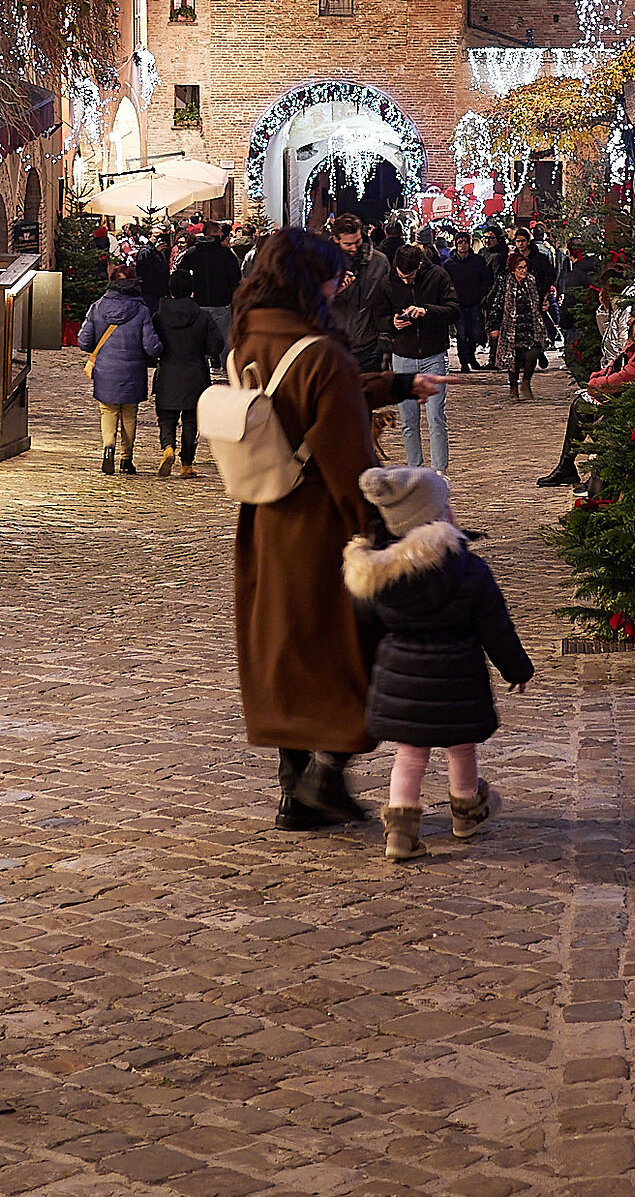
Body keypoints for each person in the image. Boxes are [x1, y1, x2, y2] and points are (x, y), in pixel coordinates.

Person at [226, 227, 443, 831]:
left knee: (287, 648)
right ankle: (326, 775)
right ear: (309, 280)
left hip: (268, 517)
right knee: (350, 648)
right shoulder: (319, 350)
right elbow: (347, 455)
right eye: (333, 274)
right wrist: (379, 532)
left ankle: (294, 790)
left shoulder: (247, 337)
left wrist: (396, 384)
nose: (340, 282)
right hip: (322, 524)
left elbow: (303, 397)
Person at [343, 464, 534, 863]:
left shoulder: (377, 577)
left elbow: (365, 627)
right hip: (458, 677)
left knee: (410, 754)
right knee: (461, 748)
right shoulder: (468, 569)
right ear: (437, 514)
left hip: (402, 679)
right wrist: (517, 669)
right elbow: (495, 626)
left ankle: (400, 831)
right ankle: (467, 811)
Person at [77, 262, 162, 475]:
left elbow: (84, 340)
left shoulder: (97, 307)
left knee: (108, 410)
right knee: (130, 413)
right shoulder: (142, 310)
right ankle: (126, 459)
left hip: (105, 369)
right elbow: (151, 346)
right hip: (133, 370)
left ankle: (108, 447)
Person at [386, 243, 458, 471]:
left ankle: (439, 471)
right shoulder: (388, 282)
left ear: (419, 265)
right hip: (403, 355)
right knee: (408, 421)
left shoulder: (438, 276)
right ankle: (416, 469)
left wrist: (427, 311)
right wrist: (392, 323)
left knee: (435, 415)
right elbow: (377, 316)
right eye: (401, 276)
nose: (406, 280)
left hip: (433, 354)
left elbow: (454, 310)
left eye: (410, 276)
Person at [152, 284, 224, 479]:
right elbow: (216, 344)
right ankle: (186, 464)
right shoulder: (202, 316)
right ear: (191, 291)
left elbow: (152, 344)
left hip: (167, 372)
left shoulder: (159, 317)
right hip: (195, 374)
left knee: (166, 417)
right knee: (191, 420)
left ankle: (168, 447)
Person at [328, 211, 394, 371]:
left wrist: (384, 342)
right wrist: (333, 290)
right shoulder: (322, 263)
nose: (354, 248)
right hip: (332, 349)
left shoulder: (379, 262)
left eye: (357, 241)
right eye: (348, 244)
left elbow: (388, 302)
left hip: (369, 349)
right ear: (336, 239)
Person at [172, 218, 241, 349]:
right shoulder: (225, 254)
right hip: (222, 302)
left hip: (199, 301)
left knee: (200, 340)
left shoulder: (192, 252)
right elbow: (235, 277)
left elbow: (181, 274)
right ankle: (223, 367)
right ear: (215, 233)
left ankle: (202, 367)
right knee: (224, 340)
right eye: (220, 231)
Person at [488, 253, 546, 398]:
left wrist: (543, 304)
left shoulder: (532, 281)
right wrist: (494, 326)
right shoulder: (505, 283)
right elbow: (496, 305)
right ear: (513, 269)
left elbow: (539, 299)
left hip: (530, 325)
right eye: (520, 268)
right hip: (511, 327)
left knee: (533, 352)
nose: (523, 270)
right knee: (512, 359)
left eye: (525, 267)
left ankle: (526, 382)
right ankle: (513, 387)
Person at [445, 231, 495, 374]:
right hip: (458, 303)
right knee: (461, 334)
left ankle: (471, 356)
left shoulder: (477, 261)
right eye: (459, 242)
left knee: (474, 332)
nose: (462, 245)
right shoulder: (450, 264)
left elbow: (486, 279)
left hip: (474, 302)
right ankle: (464, 361)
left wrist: (481, 294)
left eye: (465, 242)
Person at [136, 229, 172, 309]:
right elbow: (142, 267)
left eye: (161, 237)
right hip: (150, 289)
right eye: (156, 237)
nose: (158, 239)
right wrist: (155, 251)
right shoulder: (145, 250)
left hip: (161, 288)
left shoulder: (161, 250)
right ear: (149, 237)